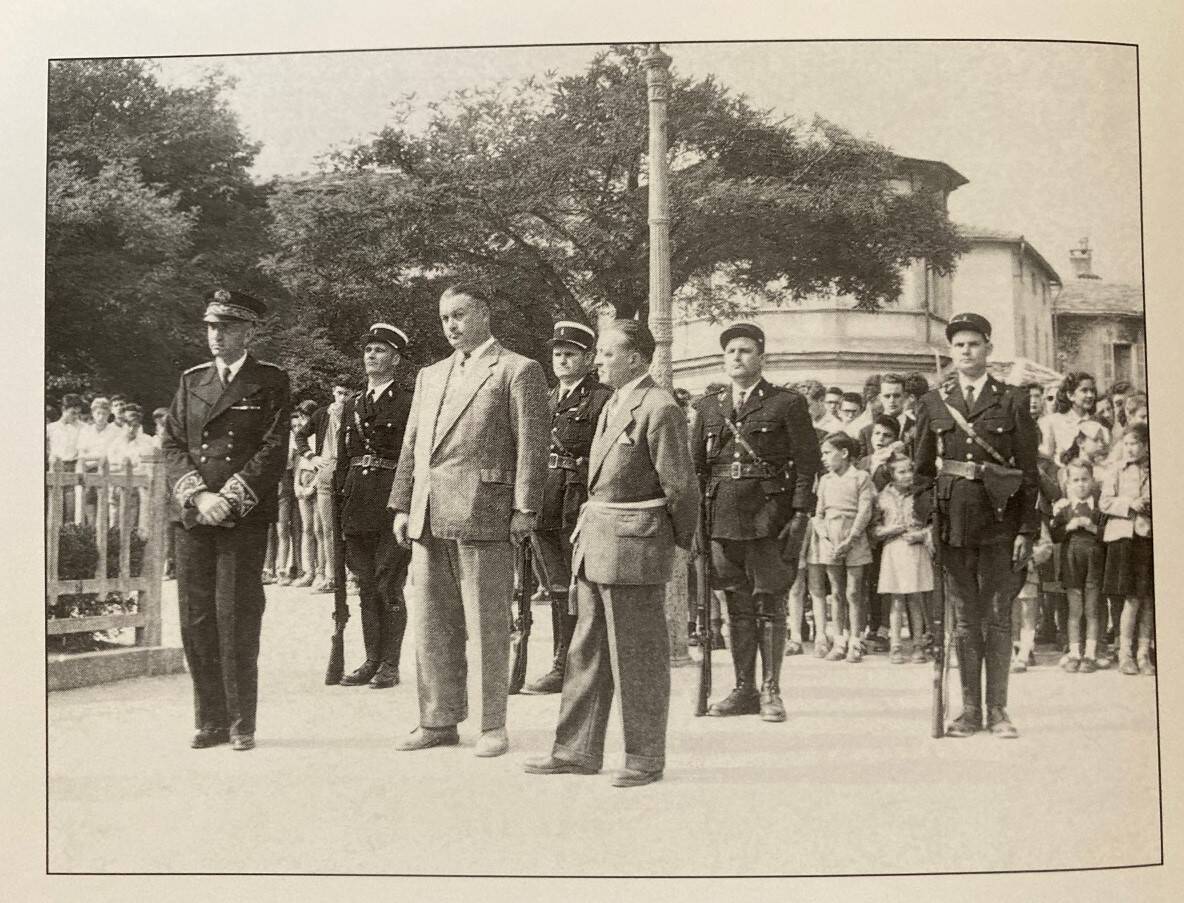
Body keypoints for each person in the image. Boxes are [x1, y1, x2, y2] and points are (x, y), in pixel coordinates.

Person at [524, 320, 698, 787]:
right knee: (585, 652)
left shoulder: (658, 406)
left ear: (636, 358)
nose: (598, 360)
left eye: (606, 353)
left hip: (637, 544)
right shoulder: (614, 403)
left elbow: (680, 487)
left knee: (637, 656)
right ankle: (576, 750)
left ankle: (644, 758)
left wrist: (679, 545)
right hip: (598, 539)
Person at [388, 283, 548, 757]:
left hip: (485, 509)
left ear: (484, 313)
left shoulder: (518, 370)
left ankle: (491, 723)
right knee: (432, 624)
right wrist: (401, 504)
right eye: (444, 319)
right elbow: (413, 446)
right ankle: (437, 719)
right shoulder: (429, 375)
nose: (451, 326)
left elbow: (531, 447)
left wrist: (525, 509)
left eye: (459, 315)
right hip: (428, 510)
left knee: (487, 623)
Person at [160, 288, 290, 751]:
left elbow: (273, 449)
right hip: (195, 517)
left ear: (250, 331)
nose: (217, 335)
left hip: (241, 517)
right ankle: (209, 720)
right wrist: (198, 496)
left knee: (236, 615)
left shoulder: (270, 380)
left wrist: (229, 498)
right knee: (196, 620)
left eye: (228, 327)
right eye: (212, 326)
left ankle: (241, 723)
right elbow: (172, 444)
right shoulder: (191, 380)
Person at [913, 312, 1039, 739]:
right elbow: (920, 474)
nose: (966, 351)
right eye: (959, 345)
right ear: (951, 352)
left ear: (989, 348)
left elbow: (1028, 472)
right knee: (965, 620)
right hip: (953, 525)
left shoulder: (1013, 400)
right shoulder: (933, 402)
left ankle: (998, 710)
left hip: (1001, 523)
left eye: (974, 344)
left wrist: (1027, 529)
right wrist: (930, 519)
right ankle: (969, 710)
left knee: (999, 617)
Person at [690, 323, 819, 721]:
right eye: (730, 351)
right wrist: (697, 521)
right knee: (736, 605)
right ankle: (743, 687)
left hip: (769, 517)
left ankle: (770, 690)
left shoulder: (786, 404)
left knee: (770, 604)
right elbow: (697, 468)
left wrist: (799, 514)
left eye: (745, 350)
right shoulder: (709, 406)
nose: (737, 357)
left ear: (762, 357)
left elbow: (807, 464)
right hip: (721, 518)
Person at [526, 321, 612, 694]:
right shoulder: (544, 400)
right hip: (545, 500)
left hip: (579, 501)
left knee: (586, 584)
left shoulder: (602, 399)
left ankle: (589, 664)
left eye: (570, 354)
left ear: (588, 359)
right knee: (557, 586)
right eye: (557, 354)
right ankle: (563, 662)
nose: (561, 360)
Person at [334, 326, 413, 689]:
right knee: (365, 585)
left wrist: (406, 505)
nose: (372, 356)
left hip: (390, 503)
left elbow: (413, 457)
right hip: (356, 503)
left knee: (388, 584)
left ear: (396, 359)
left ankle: (390, 663)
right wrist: (337, 505)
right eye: (369, 350)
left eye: (380, 351)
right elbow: (342, 459)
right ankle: (370, 659)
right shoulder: (352, 404)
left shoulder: (409, 401)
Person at [809, 432, 875, 663]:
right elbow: (817, 514)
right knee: (836, 593)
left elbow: (865, 511)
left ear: (844, 453)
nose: (824, 458)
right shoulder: (825, 481)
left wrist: (851, 539)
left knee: (854, 592)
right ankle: (839, 640)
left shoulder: (861, 477)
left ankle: (856, 641)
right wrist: (826, 537)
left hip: (854, 539)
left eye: (828, 453)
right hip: (830, 540)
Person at [1100, 424, 1153, 676]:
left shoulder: (1154, 468)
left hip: (1148, 536)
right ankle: (1125, 653)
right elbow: (1105, 502)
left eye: (1137, 443)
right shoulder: (1116, 470)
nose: (1131, 448)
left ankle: (1145, 653)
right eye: (1128, 443)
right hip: (1124, 537)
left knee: (1149, 598)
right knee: (1130, 597)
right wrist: (1131, 503)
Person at [872, 450, 933, 664]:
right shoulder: (881, 498)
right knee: (896, 600)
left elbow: (931, 525)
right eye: (901, 472)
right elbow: (874, 530)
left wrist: (921, 535)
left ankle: (918, 644)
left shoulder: (921, 495)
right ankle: (896, 644)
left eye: (910, 471)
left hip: (915, 549)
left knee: (916, 599)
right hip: (893, 550)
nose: (907, 476)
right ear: (891, 474)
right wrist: (892, 530)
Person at [295, 375, 354, 594]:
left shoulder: (357, 412)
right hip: (326, 475)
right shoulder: (321, 414)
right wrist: (312, 456)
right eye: (339, 393)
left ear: (353, 395)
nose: (341, 398)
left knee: (349, 528)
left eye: (346, 394)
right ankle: (332, 577)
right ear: (333, 392)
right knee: (327, 529)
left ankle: (352, 577)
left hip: (349, 475)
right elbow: (300, 436)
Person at [1050, 460, 1106, 673]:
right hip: (1072, 562)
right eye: (1076, 480)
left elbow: (1107, 534)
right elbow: (1055, 535)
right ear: (1068, 483)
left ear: (1092, 480)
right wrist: (1068, 527)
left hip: (1093, 562)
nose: (1081, 484)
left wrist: (1092, 527)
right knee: (1075, 610)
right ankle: (1074, 652)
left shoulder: (1099, 508)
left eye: (1085, 479)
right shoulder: (1064, 509)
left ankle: (1090, 654)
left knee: (1092, 608)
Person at [106, 403, 157, 533]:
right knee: (114, 520)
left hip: (137, 489)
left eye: (135, 426)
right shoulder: (115, 443)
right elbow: (112, 464)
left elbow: (146, 466)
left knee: (133, 521)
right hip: (117, 486)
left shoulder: (146, 442)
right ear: (123, 425)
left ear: (139, 426)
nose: (131, 429)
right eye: (128, 425)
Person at [1039, 371, 1108, 462]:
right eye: (1084, 390)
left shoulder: (1099, 423)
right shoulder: (1052, 421)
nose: (1090, 395)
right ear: (1070, 395)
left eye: (1092, 391)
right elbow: (1046, 454)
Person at [292, 400, 323, 588]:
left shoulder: (320, 435)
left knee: (319, 530)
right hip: (303, 479)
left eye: (305, 416)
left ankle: (321, 572)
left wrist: (314, 486)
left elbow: (324, 462)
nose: (303, 420)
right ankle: (308, 571)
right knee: (307, 529)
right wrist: (297, 485)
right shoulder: (301, 437)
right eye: (301, 416)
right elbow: (298, 463)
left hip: (317, 481)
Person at [47, 393, 84, 523]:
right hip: (55, 467)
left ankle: (69, 535)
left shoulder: (82, 427)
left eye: (78, 413)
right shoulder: (51, 428)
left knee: (71, 506)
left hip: (73, 466)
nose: (76, 417)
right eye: (73, 413)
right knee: (55, 505)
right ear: (64, 409)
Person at [858, 373, 915, 455]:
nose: (892, 400)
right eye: (887, 396)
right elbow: (862, 464)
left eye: (896, 396)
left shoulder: (917, 427)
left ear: (905, 396)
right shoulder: (867, 432)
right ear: (880, 397)